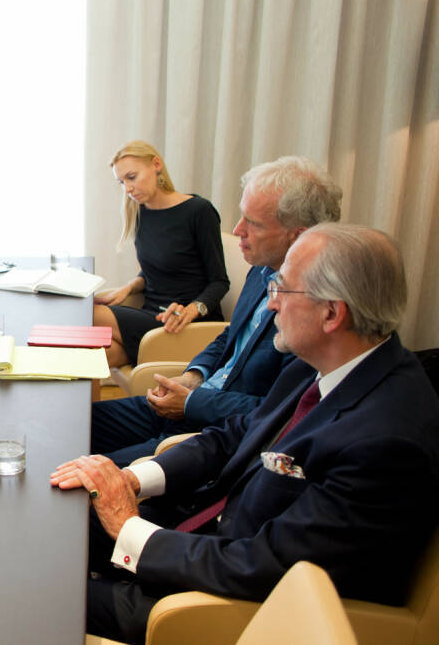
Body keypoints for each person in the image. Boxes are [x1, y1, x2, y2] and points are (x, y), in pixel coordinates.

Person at [52, 223, 439, 644]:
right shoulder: (321, 364)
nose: (271, 306)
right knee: (54, 524)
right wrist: (133, 478)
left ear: (331, 313)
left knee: (40, 588)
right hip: (202, 535)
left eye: (283, 291)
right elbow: (232, 436)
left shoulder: (386, 443)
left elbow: (267, 565)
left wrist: (128, 527)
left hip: (225, 601)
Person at [92, 156, 342, 464]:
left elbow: (277, 412)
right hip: (188, 404)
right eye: (242, 217)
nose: (237, 230)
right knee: (72, 425)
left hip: (213, 433)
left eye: (254, 223)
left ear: (297, 235)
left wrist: (194, 402)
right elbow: (229, 337)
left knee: (79, 472)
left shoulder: (313, 311)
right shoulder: (262, 270)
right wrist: (194, 376)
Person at [95, 141, 229, 368]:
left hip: (186, 323)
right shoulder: (141, 213)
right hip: (154, 316)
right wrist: (129, 287)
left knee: (88, 315)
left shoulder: (198, 211)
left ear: (156, 165)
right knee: (100, 356)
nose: (127, 188)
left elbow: (219, 281)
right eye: (121, 182)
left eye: (132, 177)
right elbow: (156, 270)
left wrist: (192, 310)